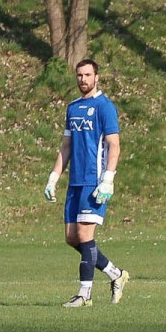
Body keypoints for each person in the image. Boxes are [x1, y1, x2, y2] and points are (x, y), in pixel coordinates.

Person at [43, 58, 129, 308]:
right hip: (75, 182)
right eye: (80, 75)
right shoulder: (72, 108)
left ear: (96, 77)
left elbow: (114, 145)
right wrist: (53, 177)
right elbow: (66, 146)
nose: (83, 79)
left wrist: (108, 179)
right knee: (72, 238)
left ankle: (84, 295)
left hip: (95, 182)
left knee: (84, 234)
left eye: (88, 75)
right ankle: (116, 274)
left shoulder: (105, 107)